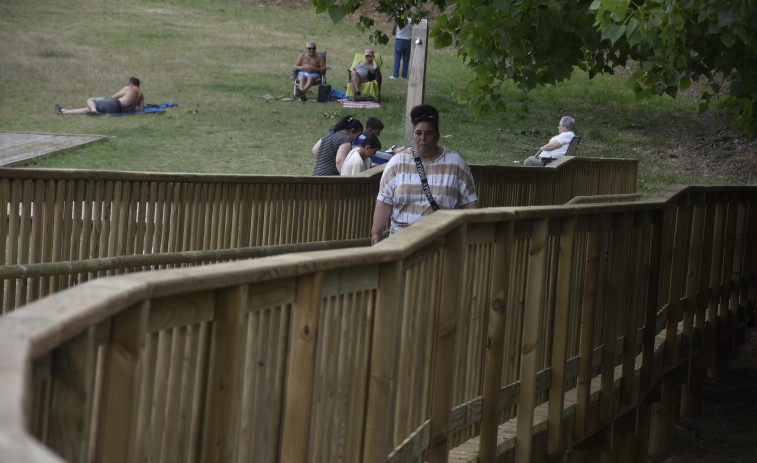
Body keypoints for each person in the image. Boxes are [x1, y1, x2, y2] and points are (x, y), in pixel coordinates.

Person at [371, 105, 477, 244]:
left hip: (441, 243)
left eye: (429, 133)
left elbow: (469, 202)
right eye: (418, 133)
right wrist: (376, 234)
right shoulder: (397, 163)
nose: (423, 138)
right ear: (413, 135)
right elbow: (384, 201)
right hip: (401, 243)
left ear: (437, 135)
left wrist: (467, 235)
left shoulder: (455, 163)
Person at [55, 77, 144, 115]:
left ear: (131, 83)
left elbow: (114, 97)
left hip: (114, 104)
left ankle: (94, 112)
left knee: (90, 100)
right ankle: (64, 112)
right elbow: (140, 110)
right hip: (119, 110)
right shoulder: (141, 95)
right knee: (90, 108)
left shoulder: (129, 88)